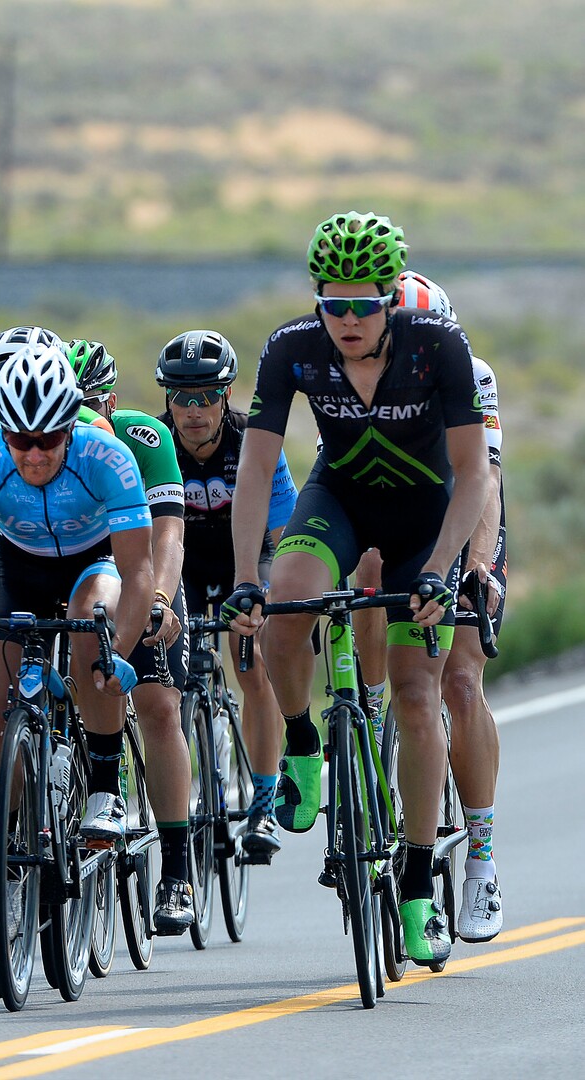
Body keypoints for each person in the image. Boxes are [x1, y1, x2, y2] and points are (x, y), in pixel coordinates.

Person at [222, 211, 489, 967]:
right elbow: (254, 467)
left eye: (362, 305)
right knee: (283, 609)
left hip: (425, 521)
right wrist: (246, 575)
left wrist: (442, 567)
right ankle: (304, 742)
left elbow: (472, 473)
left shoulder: (438, 348)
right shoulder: (292, 350)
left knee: (413, 696)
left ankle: (413, 886)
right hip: (338, 500)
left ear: (389, 301)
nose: (344, 320)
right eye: (330, 304)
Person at [0, 345, 154, 943]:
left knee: (91, 624)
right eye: (21, 440)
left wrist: (117, 650)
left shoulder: (109, 457)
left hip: (93, 561)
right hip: (18, 566)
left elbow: (140, 573)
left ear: (72, 425)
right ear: (2, 428)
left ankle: (102, 782)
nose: (36, 453)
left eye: (50, 438)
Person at [352, 269, 505, 943]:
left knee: (462, 679)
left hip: (463, 515)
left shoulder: (470, 373)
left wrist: (474, 566)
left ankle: (481, 859)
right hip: (394, 509)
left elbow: (487, 481)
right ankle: (369, 718)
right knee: (363, 575)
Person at [66, 338, 194, 933]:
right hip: (76, 574)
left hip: (142, 575)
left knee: (159, 705)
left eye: (92, 402)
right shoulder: (45, 448)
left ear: (111, 400)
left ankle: (176, 869)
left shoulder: (144, 440)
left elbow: (168, 537)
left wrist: (163, 601)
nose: (81, 416)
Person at [155, 330, 298, 858]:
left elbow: (285, 540)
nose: (194, 411)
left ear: (227, 395)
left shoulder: (253, 442)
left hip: (248, 558)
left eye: (207, 397)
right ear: (167, 398)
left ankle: (263, 805)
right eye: (181, 398)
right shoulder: (154, 445)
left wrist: (272, 599)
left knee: (252, 665)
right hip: (185, 563)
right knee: (169, 676)